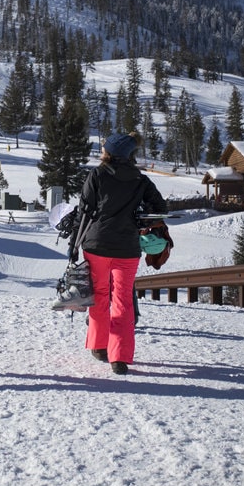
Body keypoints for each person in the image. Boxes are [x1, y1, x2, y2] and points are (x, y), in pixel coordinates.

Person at [73, 131, 167, 375]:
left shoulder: (97, 175)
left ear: (110, 152)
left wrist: (73, 246)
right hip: (127, 248)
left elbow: (84, 212)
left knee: (101, 295)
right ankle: (120, 358)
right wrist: (138, 218)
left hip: (96, 245)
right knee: (123, 300)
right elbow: (160, 209)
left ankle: (98, 346)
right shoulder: (140, 179)